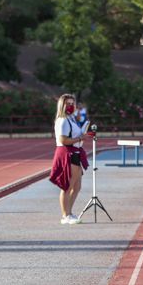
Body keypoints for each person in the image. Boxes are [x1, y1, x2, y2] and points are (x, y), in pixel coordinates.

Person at [48, 93, 88, 225]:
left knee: (77, 186)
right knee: (67, 186)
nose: (71, 106)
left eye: (72, 103)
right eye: (68, 104)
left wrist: (83, 135)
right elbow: (63, 139)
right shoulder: (63, 120)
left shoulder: (71, 119)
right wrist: (80, 138)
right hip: (67, 153)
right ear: (62, 105)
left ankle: (69, 213)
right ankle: (65, 215)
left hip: (75, 152)